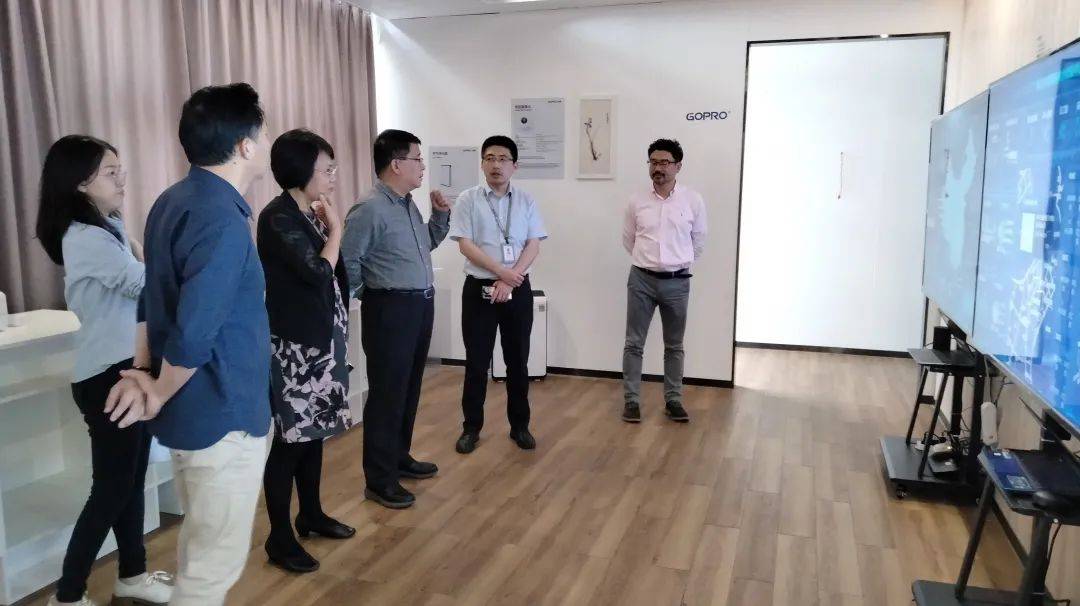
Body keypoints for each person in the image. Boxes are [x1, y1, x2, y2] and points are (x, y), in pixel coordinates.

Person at [105, 83, 272, 606]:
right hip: (222, 412)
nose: (266, 142)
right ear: (245, 145)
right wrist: (156, 389)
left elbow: (150, 298)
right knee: (209, 571)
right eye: (262, 132)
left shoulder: (172, 201)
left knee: (200, 551)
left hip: (192, 409)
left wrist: (145, 373)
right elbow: (195, 329)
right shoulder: (221, 219)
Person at [35, 136, 172, 606]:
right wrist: (163, 261)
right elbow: (143, 284)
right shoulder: (85, 237)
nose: (122, 180)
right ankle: (67, 595)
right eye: (110, 173)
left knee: (130, 484)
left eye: (120, 169)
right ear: (79, 182)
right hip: (107, 378)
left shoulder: (108, 227)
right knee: (112, 489)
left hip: (128, 368)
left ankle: (132, 575)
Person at [257, 129, 355, 573]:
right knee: (291, 442)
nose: (333, 176)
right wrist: (337, 229)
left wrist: (328, 225)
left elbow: (333, 276)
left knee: (315, 435)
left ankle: (311, 514)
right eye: (327, 169)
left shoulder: (308, 212)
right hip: (295, 347)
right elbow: (318, 272)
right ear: (301, 170)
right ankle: (279, 537)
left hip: (322, 338)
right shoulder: (277, 217)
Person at [341, 129, 451, 509]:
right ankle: (379, 479)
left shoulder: (406, 204)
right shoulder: (369, 208)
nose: (423, 166)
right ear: (396, 164)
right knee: (387, 394)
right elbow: (348, 261)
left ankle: (399, 457)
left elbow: (424, 246)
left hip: (419, 306)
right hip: (390, 309)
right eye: (417, 159)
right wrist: (370, 294)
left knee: (408, 389)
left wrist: (440, 217)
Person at [444, 135, 547, 454]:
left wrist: (510, 280)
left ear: (515, 166)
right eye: (490, 158)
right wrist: (502, 273)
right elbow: (465, 244)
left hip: (517, 287)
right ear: (482, 164)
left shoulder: (526, 200)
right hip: (479, 289)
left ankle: (520, 426)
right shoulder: (468, 199)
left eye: (503, 159)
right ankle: (471, 428)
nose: (496, 164)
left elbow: (533, 244)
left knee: (518, 361)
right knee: (476, 362)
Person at [621, 139, 707, 424]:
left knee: (674, 345)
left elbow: (698, 241)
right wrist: (650, 262)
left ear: (678, 166)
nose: (658, 168)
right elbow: (629, 239)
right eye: (653, 162)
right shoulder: (637, 200)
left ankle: (673, 400)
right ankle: (632, 401)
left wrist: (676, 263)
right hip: (641, 280)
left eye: (664, 163)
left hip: (677, 282)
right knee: (634, 343)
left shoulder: (692, 200)